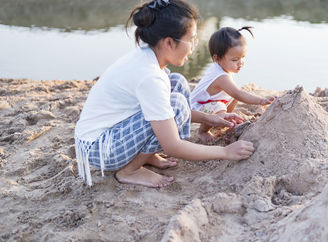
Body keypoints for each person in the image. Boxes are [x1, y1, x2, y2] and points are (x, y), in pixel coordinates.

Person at [74, 0, 255, 188]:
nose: (194, 45)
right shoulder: (150, 76)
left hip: (108, 135)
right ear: (169, 42)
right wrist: (226, 152)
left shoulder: (148, 57)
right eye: (191, 39)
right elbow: (172, 146)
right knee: (175, 103)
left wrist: (211, 119)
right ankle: (130, 170)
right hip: (99, 150)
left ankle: (147, 155)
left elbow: (164, 113)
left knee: (177, 83)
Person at [190, 26, 276, 143]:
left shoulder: (224, 67)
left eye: (243, 57)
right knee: (221, 104)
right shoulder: (220, 76)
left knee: (232, 98)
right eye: (235, 60)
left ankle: (224, 117)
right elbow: (239, 93)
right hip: (196, 107)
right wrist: (260, 100)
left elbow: (235, 95)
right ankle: (203, 131)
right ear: (217, 58)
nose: (240, 62)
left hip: (209, 103)